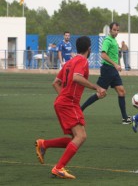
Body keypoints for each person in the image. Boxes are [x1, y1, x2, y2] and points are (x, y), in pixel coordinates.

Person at [35, 36, 106, 179]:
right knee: (81, 136)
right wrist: (96, 87)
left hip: (62, 102)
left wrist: (64, 97)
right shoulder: (82, 61)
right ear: (89, 49)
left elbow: (55, 83)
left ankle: (44, 144)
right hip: (68, 103)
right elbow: (77, 77)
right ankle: (58, 168)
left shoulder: (69, 62)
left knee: (76, 138)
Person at [80, 22, 132, 124]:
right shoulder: (107, 40)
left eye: (117, 30)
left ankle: (125, 118)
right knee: (101, 93)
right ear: (110, 30)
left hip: (113, 70)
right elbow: (103, 55)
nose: (116, 32)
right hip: (108, 69)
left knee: (121, 91)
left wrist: (117, 64)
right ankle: (80, 110)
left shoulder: (114, 40)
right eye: (114, 30)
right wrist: (115, 64)